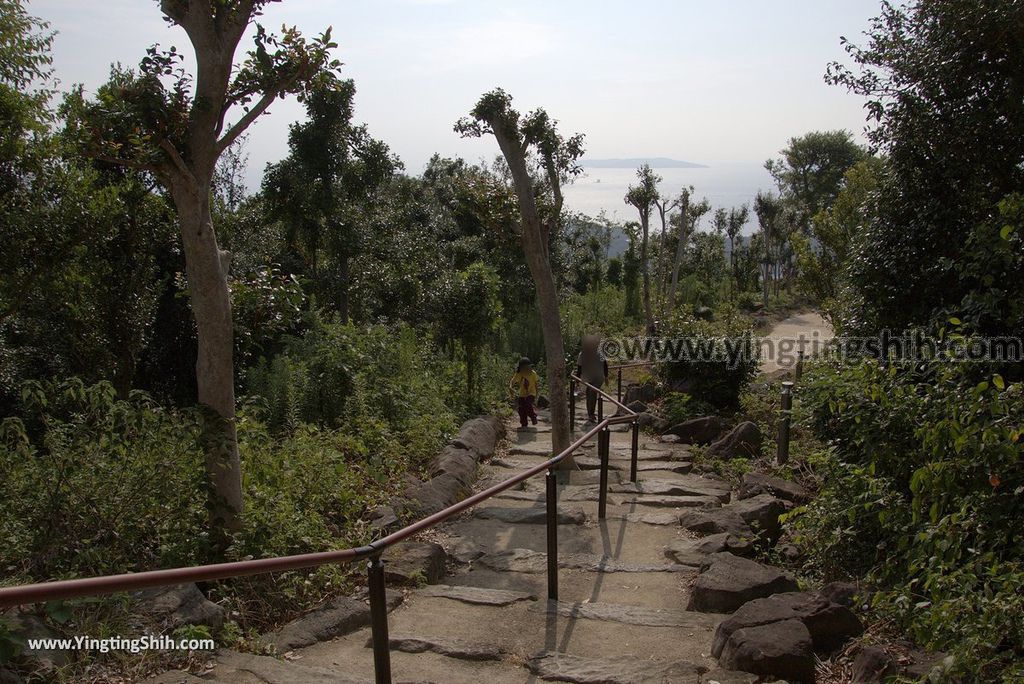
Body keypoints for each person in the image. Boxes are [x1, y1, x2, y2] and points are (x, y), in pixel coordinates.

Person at [575, 335, 608, 423]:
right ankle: (590, 414)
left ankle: (592, 414)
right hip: (588, 377)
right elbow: (579, 368)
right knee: (588, 394)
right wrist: (577, 380)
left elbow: (605, 365)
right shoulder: (582, 355)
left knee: (592, 392)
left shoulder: (600, 353)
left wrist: (606, 377)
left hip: (598, 376)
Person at [509, 357, 539, 428]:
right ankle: (524, 423)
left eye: (527, 367)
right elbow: (512, 381)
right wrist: (510, 387)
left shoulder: (533, 374)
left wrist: (537, 394)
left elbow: (536, 384)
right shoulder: (519, 374)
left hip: (531, 393)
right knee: (521, 409)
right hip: (522, 394)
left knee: (527, 404)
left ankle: (533, 416)